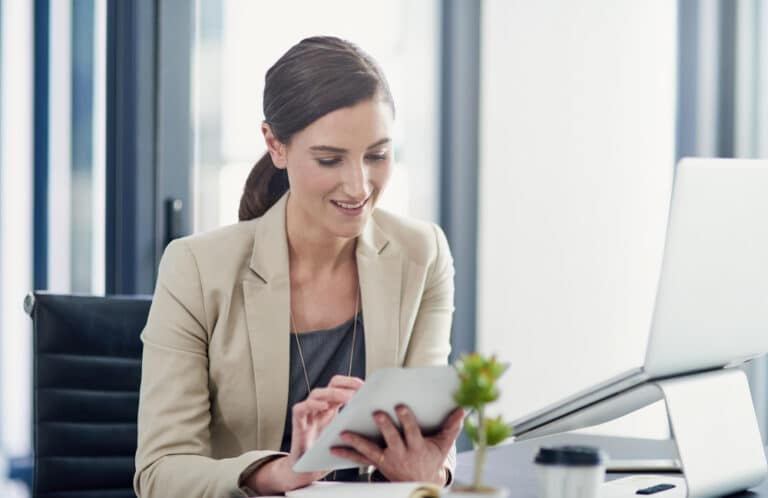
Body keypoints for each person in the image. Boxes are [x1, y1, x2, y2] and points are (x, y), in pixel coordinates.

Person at [133, 36, 463, 497]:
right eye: (330, 159)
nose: (358, 185)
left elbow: (425, 435)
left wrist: (434, 471)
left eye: (377, 155)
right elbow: (159, 474)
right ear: (276, 145)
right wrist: (282, 472)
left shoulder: (421, 253)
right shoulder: (196, 269)